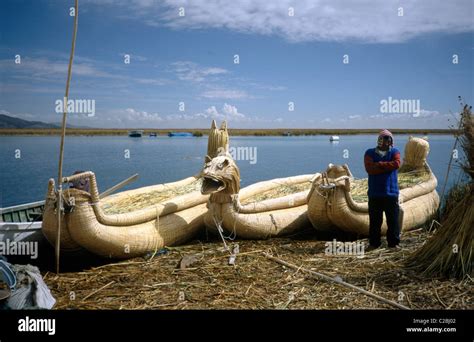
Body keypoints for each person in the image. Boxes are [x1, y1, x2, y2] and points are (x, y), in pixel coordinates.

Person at [364, 129, 401, 250]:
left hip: (391, 193)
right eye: (383, 139)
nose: (385, 142)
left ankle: (393, 244)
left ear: (391, 141)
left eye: (388, 139)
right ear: (379, 140)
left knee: (393, 220)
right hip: (375, 193)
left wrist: (379, 164)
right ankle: (374, 243)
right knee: (375, 221)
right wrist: (386, 165)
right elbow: (370, 169)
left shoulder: (395, 151)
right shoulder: (369, 153)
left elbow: (396, 164)